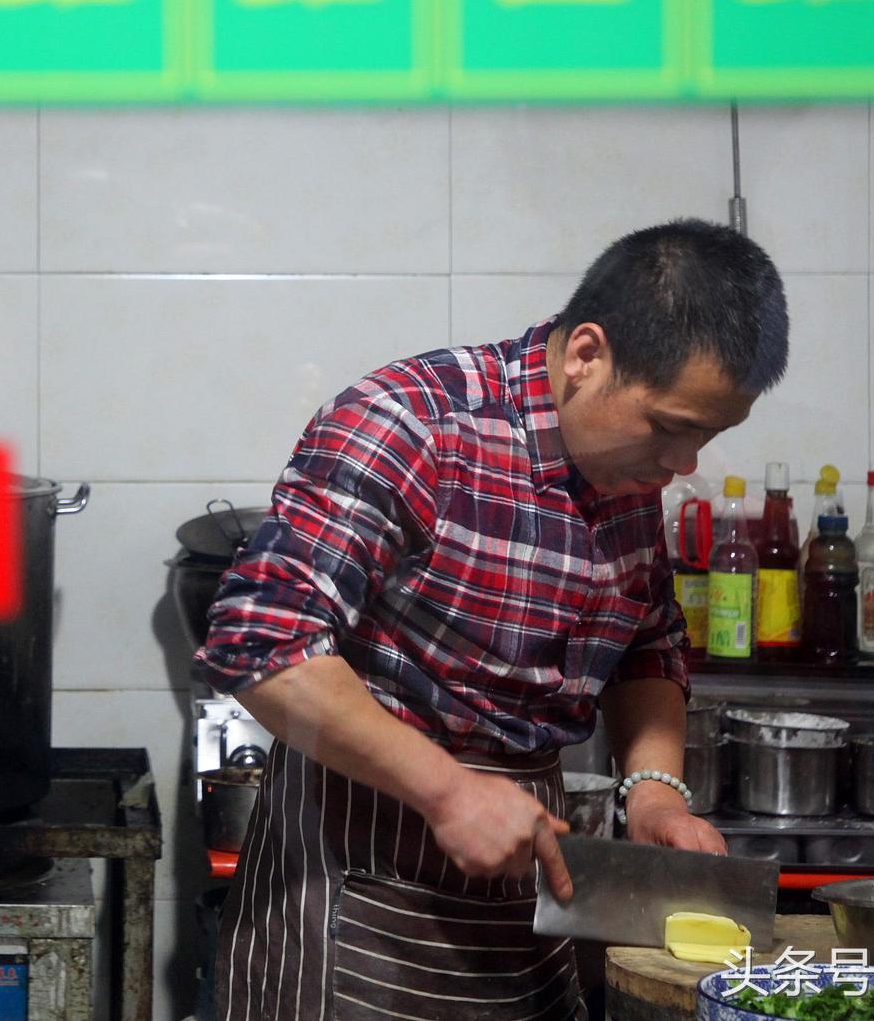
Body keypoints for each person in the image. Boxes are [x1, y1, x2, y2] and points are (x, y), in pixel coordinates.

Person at [195, 219, 788, 1021]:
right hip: (354, 913)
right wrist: (446, 792)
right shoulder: (411, 424)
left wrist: (654, 794)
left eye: (708, 436)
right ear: (587, 355)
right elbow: (262, 642)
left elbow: (648, 644)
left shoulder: (624, 474)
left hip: (528, 914)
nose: (684, 466)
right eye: (671, 428)